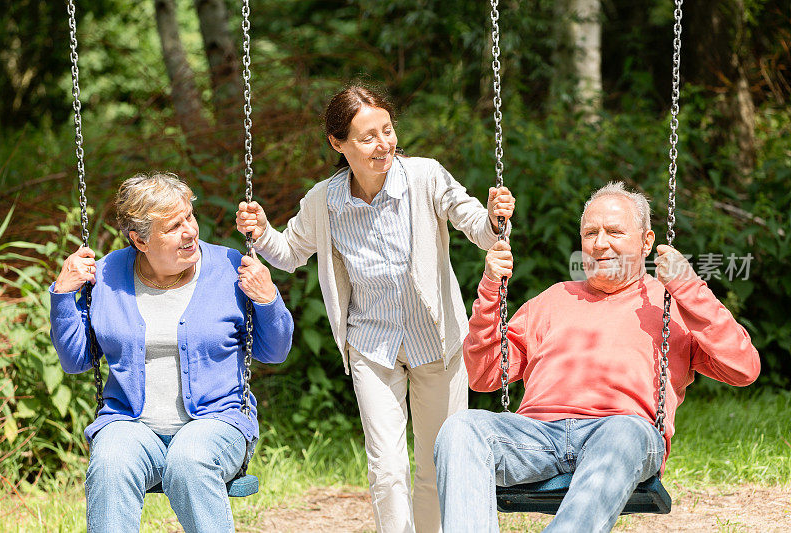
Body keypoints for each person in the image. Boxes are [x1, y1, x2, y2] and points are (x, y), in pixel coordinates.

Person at [235, 85, 515, 532]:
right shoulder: (325, 202)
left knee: (437, 464)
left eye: (387, 130)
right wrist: (263, 229)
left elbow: (477, 226)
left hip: (436, 340)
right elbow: (288, 253)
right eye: (368, 137)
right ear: (337, 143)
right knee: (386, 470)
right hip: (371, 344)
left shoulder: (425, 177)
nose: (384, 144)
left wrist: (495, 219)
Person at [434, 181, 760, 533]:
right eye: (591, 233)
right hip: (538, 437)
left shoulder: (672, 304)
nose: (600, 243)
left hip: (621, 434)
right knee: (461, 428)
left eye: (614, 232)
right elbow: (484, 375)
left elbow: (743, 368)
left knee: (624, 430)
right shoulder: (552, 299)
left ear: (646, 241)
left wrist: (687, 287)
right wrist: (490, 289)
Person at [50, 172, 293, 533]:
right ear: (140, 240)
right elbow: (75, 360)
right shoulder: (106, 276)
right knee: (111, 461)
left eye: (189, 217)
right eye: (174, 225)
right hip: (131, 425)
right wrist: (64, 295)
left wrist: (268, 298)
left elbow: (274, 351)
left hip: (216, 420)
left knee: (189, 459)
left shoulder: (229, 268)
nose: (190, 231)